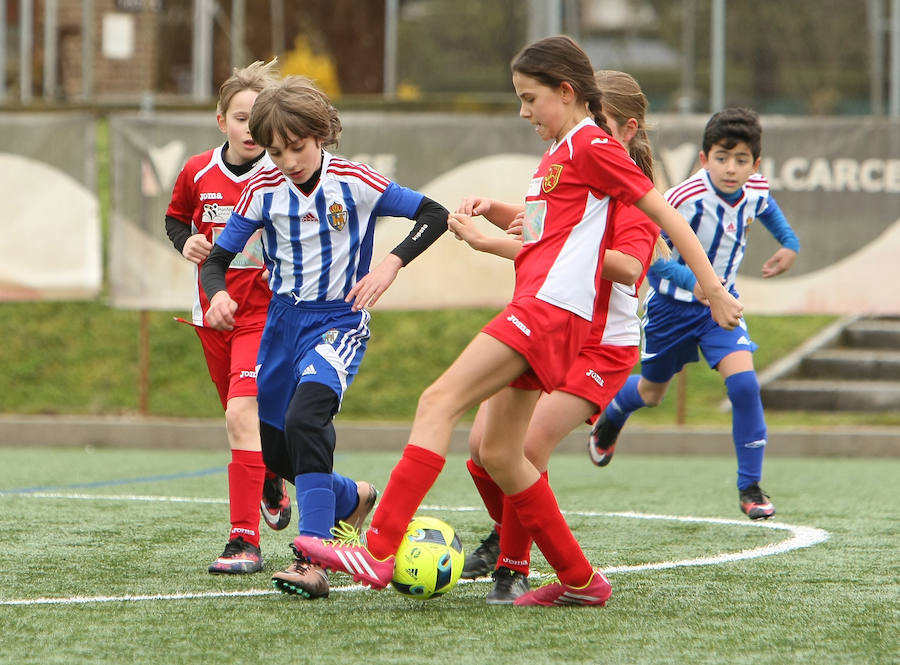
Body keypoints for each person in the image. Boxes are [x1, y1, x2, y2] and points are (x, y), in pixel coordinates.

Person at [292, 36, 742, 607]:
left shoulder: (590, 145)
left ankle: (379, 550)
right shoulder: (559, 155)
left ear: (566, 91)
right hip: (547, 312)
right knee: (502, 454)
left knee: (437, 402)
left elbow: (662, 215)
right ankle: (582, 581)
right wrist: (490, 215)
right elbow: (542, 229)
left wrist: (712, 288)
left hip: (548, 314)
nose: (524, 112)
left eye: (530, 99)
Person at [199, 75, 450, 599]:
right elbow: (218, 259)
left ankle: (313, 555)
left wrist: (390, 264)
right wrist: (218, 293)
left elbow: (434, 214)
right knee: (274, 447)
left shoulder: (355, 181)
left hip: (339, 321)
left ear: (321, 135)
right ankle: (351, 498)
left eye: (298, 147)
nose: (288, 160)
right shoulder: (262, 190)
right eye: (276, 150)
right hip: (281, 325)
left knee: (306, 418)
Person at [451, 70, 667, 603]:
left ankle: (515, 564)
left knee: (523, 447)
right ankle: (510, 532)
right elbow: (539, 224)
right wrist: (494, 212)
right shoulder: (574, 169)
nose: (586, 131)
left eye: (601, 122)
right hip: (553, 325)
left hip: (601, 346)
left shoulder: (632, 197)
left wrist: (514, 244)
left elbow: (627, 266)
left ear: (626, 130)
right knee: (481, 452)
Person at [588, 107, 799, 521]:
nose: (731, 169)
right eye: (722, 158)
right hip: (670, 308)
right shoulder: (683, 198)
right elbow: (652, 255)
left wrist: (789, 244)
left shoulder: (755, 189)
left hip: (721, 308)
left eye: (741, 160)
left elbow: (769, 209)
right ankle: (613, 413)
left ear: (755, 165)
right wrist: (695, 284)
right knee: (652, 393)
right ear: (704, 159)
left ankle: (750, 487)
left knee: (744, 387)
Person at [165, 59, 296, 575]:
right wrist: (188, 242)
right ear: (222, 121)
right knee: (241, 420)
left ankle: (244, 542)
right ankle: (266, 479)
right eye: (241, 118)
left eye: (258, 119)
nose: (250, 129)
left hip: (263, 316)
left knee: (241, 416)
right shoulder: (198, 170)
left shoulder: (283, 173)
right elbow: (176, 219)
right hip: (211, 315)